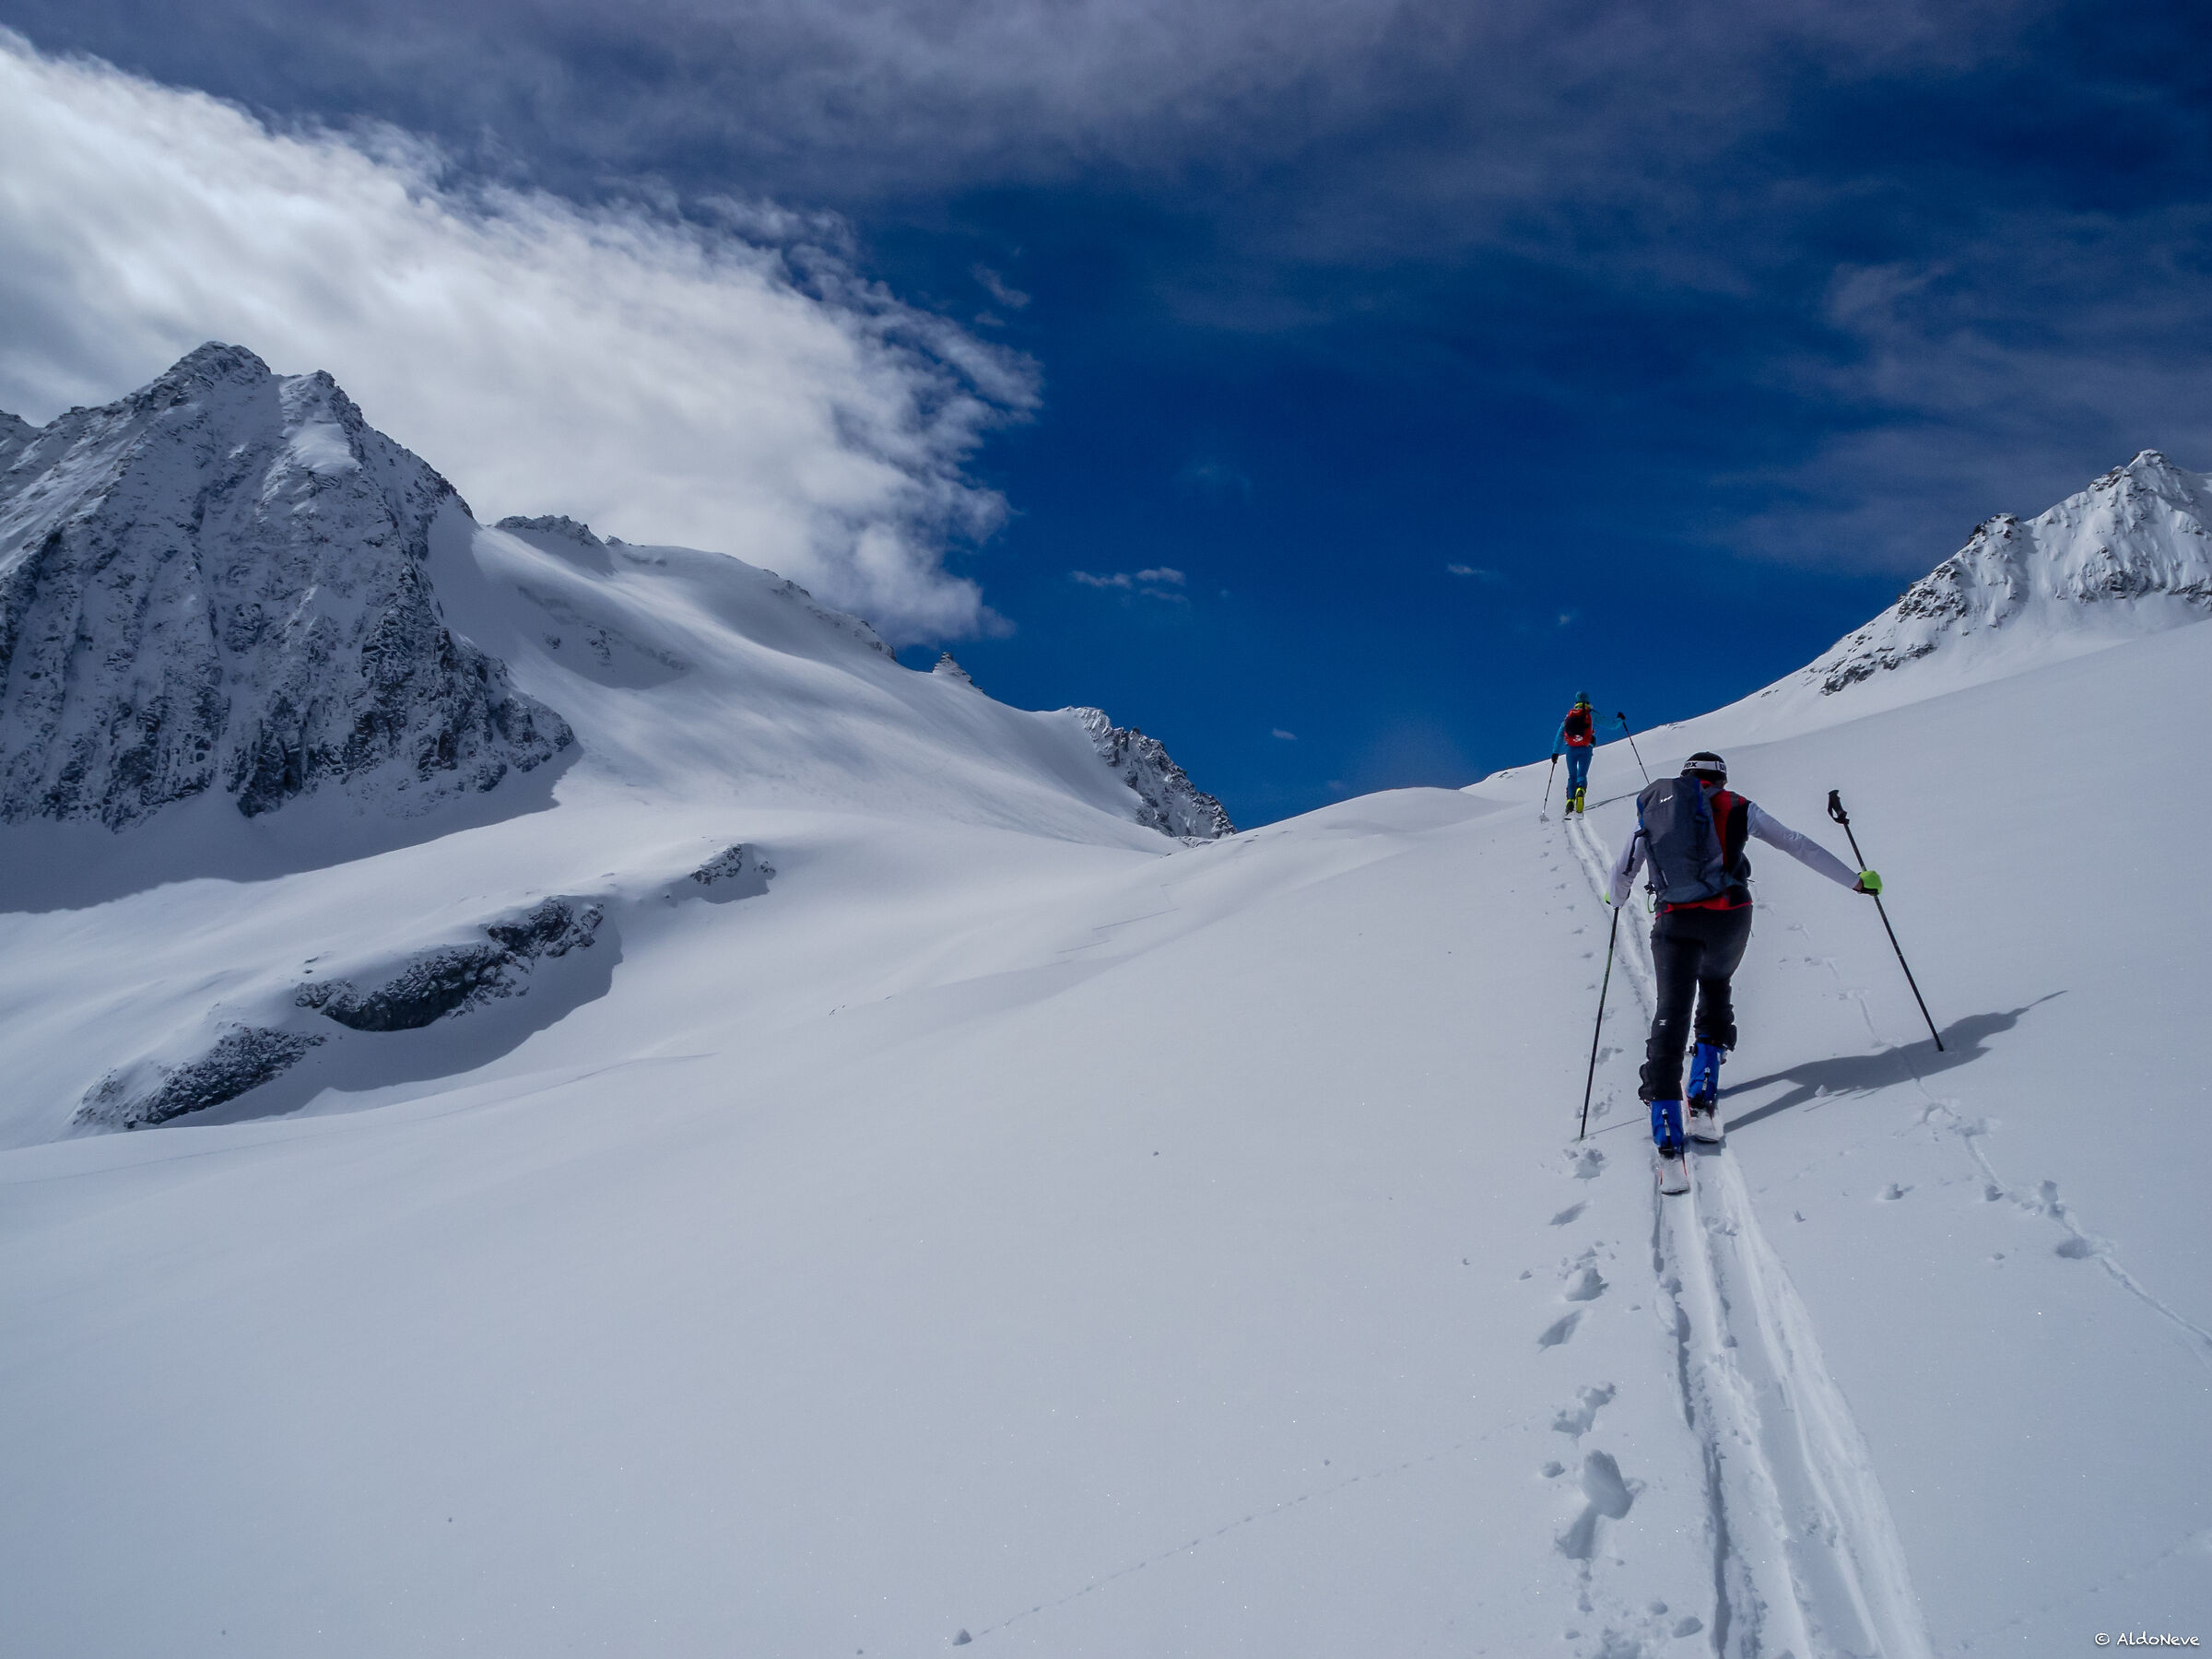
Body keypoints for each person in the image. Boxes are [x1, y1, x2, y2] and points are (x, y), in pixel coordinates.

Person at [1606, 751, 1882, 1182]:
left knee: (1671, 1012)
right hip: (1730, 917)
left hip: (1676, 920)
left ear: (1684, 778)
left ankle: (1665, 1121)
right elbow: (1795, 843)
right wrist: (1855, 881)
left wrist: (1618, 898)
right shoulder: (1737, 805)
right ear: (1721, 778)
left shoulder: (1659, 808)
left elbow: (1624, 869)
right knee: (1716, 985)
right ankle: (1702, 1086)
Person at [1551, 694, 1598, 815]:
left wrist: (1555, 752)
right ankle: (1580, 790)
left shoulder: (1569, 716)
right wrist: (1620, 720)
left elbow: (1560, 735)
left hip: (1571, 749)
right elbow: (1612, 725)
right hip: (1586, 748)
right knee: (1582, 774)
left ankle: (1570, 800)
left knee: (1572, 775)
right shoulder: (1592, 714)